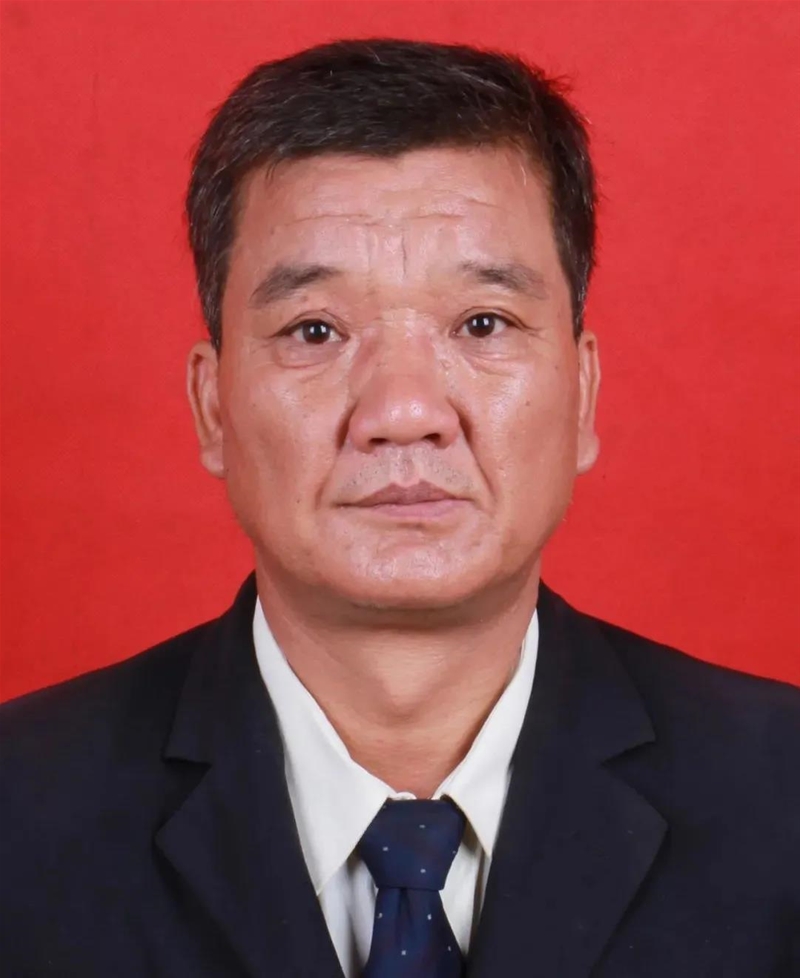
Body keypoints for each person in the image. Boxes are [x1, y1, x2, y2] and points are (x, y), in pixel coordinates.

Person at [1, 37, 798, 978]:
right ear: (212, 406)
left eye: (482, 324)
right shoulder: (21, 813)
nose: (404, 411)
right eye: (315, 330)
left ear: (583, 394)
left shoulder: (780, 796)